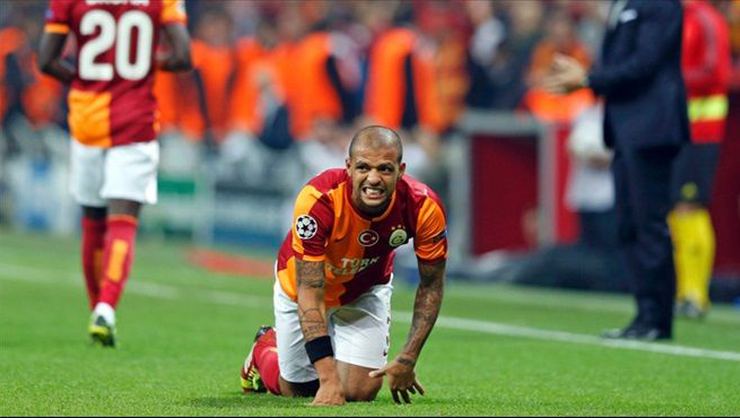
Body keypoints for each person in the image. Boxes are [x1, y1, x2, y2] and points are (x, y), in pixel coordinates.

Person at [239, 125, 448, 405]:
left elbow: (432, 284)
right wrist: (328, 380)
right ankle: (263, 346)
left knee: (359, 392)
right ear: (348, 167)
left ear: (401, 170)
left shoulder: (423, 206)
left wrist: (408, 357)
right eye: (363, 168)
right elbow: (310, 290)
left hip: (364, 289)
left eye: (385, 169)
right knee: (298, 388)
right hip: (301, 288)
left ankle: (337, 360)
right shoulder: (318, 199)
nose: (373, 179)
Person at [38, 0, 192, 347]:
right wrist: (144, 64)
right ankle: (106, 308)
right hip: (135, 122)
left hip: (87, 121)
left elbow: (46, 61)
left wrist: (86, 77)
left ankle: (97, 310)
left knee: (93, 221)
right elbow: (183, 57)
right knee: (123, 221)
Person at [543, 0, 690, 341]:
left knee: (649, 224)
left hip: (651, 126)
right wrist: (589, 75)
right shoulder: (624, 4)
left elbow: (645, 63)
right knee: (630, 224)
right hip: (628, 128)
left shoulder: (661, 4)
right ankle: (644, 315)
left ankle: (657, 319)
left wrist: (588, 78)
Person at [668, 0, 732, 319]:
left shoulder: (704, 18)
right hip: (678, 128)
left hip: (701, 130)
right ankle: (682, 290)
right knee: (674, 208)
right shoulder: (680, 16)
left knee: (689, 205)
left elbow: (715, 72)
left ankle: (696, 293)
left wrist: (667, 79)